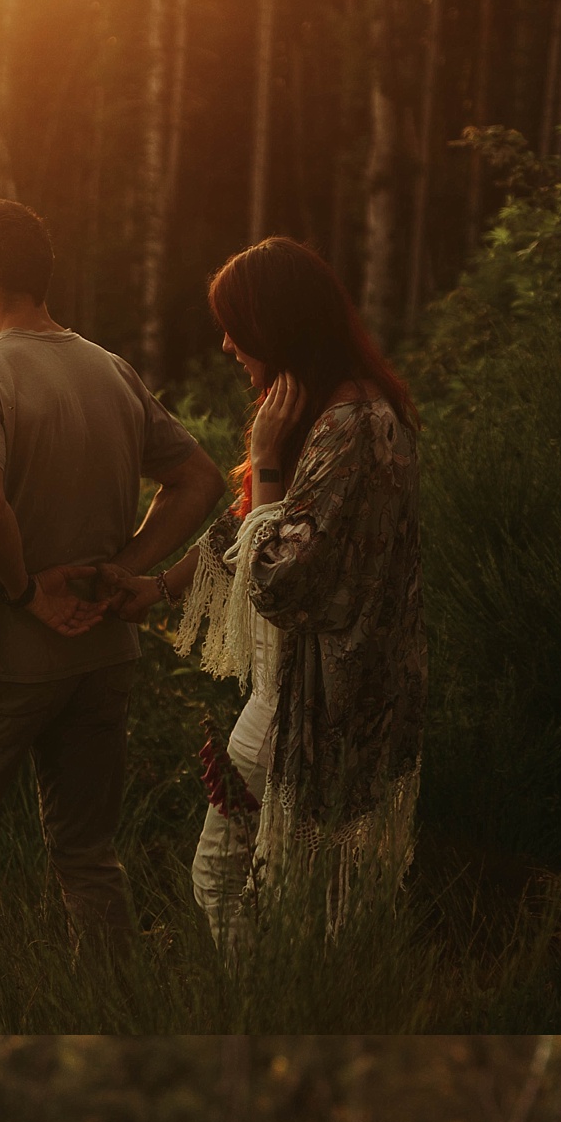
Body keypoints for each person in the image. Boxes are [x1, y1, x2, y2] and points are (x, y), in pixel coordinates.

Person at [0, 187, 219, 983]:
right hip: (101, 661)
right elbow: (199, 479)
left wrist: (24, 593)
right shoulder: (110, 369)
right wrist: (130, 569)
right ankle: (115, 1015)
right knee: (88, 855)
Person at [173, 232, 427, 950]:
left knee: (231, 884)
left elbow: (284, 576)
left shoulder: (348, 429)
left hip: (309, 709)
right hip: (313, 699)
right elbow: (244, 529)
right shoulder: (341, 414)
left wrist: (266, 463)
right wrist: (157, 586)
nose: (225, 344)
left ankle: (258, 1019)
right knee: (296, 903)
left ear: (277, 328)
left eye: (236, 325)